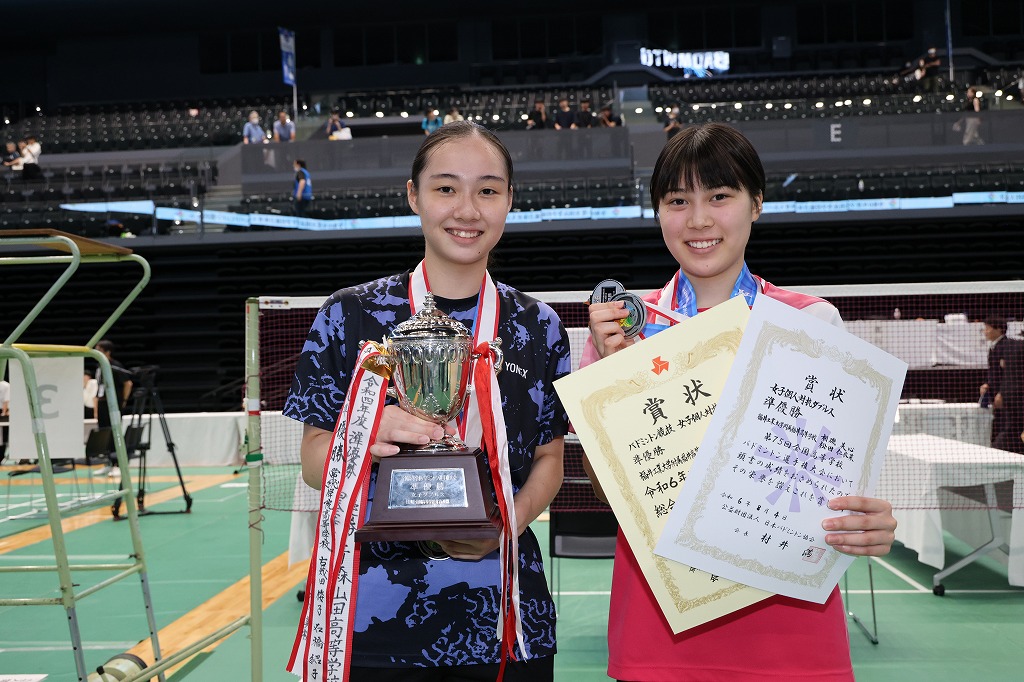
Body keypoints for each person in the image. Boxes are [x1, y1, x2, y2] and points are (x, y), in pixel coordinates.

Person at [581, 122, 898, 682]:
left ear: (757, 203)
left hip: (790, 628)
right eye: (678, 201)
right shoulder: (622, 330)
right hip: (661, 622)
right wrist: (612, 380)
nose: (699, 220)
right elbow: (607, 491)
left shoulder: (811, 322)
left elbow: (835, 477)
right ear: (658, 213)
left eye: (720, 196)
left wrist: (867, 519)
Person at [283, 120, 570, 681]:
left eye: (488, 190)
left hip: (506, 618)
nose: (467, 209)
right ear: (413, 195)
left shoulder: (539, 325)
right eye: (446, 188)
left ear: (510, 200)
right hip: (374, 619)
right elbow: (315, 464)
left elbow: (550, 460)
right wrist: (363, 434)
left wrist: (501, 527)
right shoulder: (349, 315)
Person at [979, 316, 1024, 453]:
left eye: (987, 328)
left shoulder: (1009, 347)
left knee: (1010, 426)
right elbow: (995, 371)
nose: (985, 332)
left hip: (1010, 395)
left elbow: (1011, 373)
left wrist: (1002, 393)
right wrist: (988, 384)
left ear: (998, 329)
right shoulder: (994, 347)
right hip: (1000, 394)